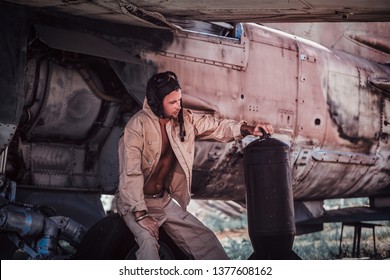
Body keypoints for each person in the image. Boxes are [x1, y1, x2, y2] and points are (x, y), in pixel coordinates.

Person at [115, 71, 274, 260]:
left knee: (206, 242)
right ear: (157, 103)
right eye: (172, 102)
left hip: (162, 201)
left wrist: (247, 129)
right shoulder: (136, 126)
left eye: (179, 100)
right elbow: (130, 173)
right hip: (135, 203)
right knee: (149, 247)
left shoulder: (184, 120)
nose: (178, 106)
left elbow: (215, 126)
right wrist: (141, 216)